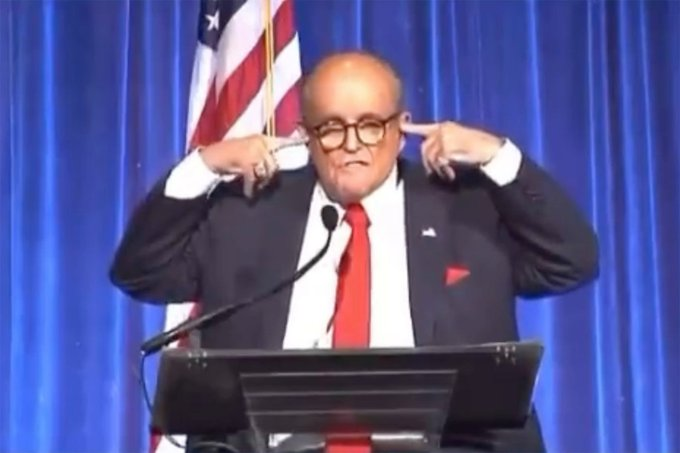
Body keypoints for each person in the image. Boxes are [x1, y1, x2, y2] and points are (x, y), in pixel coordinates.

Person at [110, 50, 599, 453]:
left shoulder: (469, 208)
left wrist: (498, 156)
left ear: (401, 129)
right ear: (305, 134)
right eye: (331, 127)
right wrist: (204, 166)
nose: (351, 144)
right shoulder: (248, 212)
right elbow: (142, 273)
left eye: (370, 125)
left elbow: (571, 261)